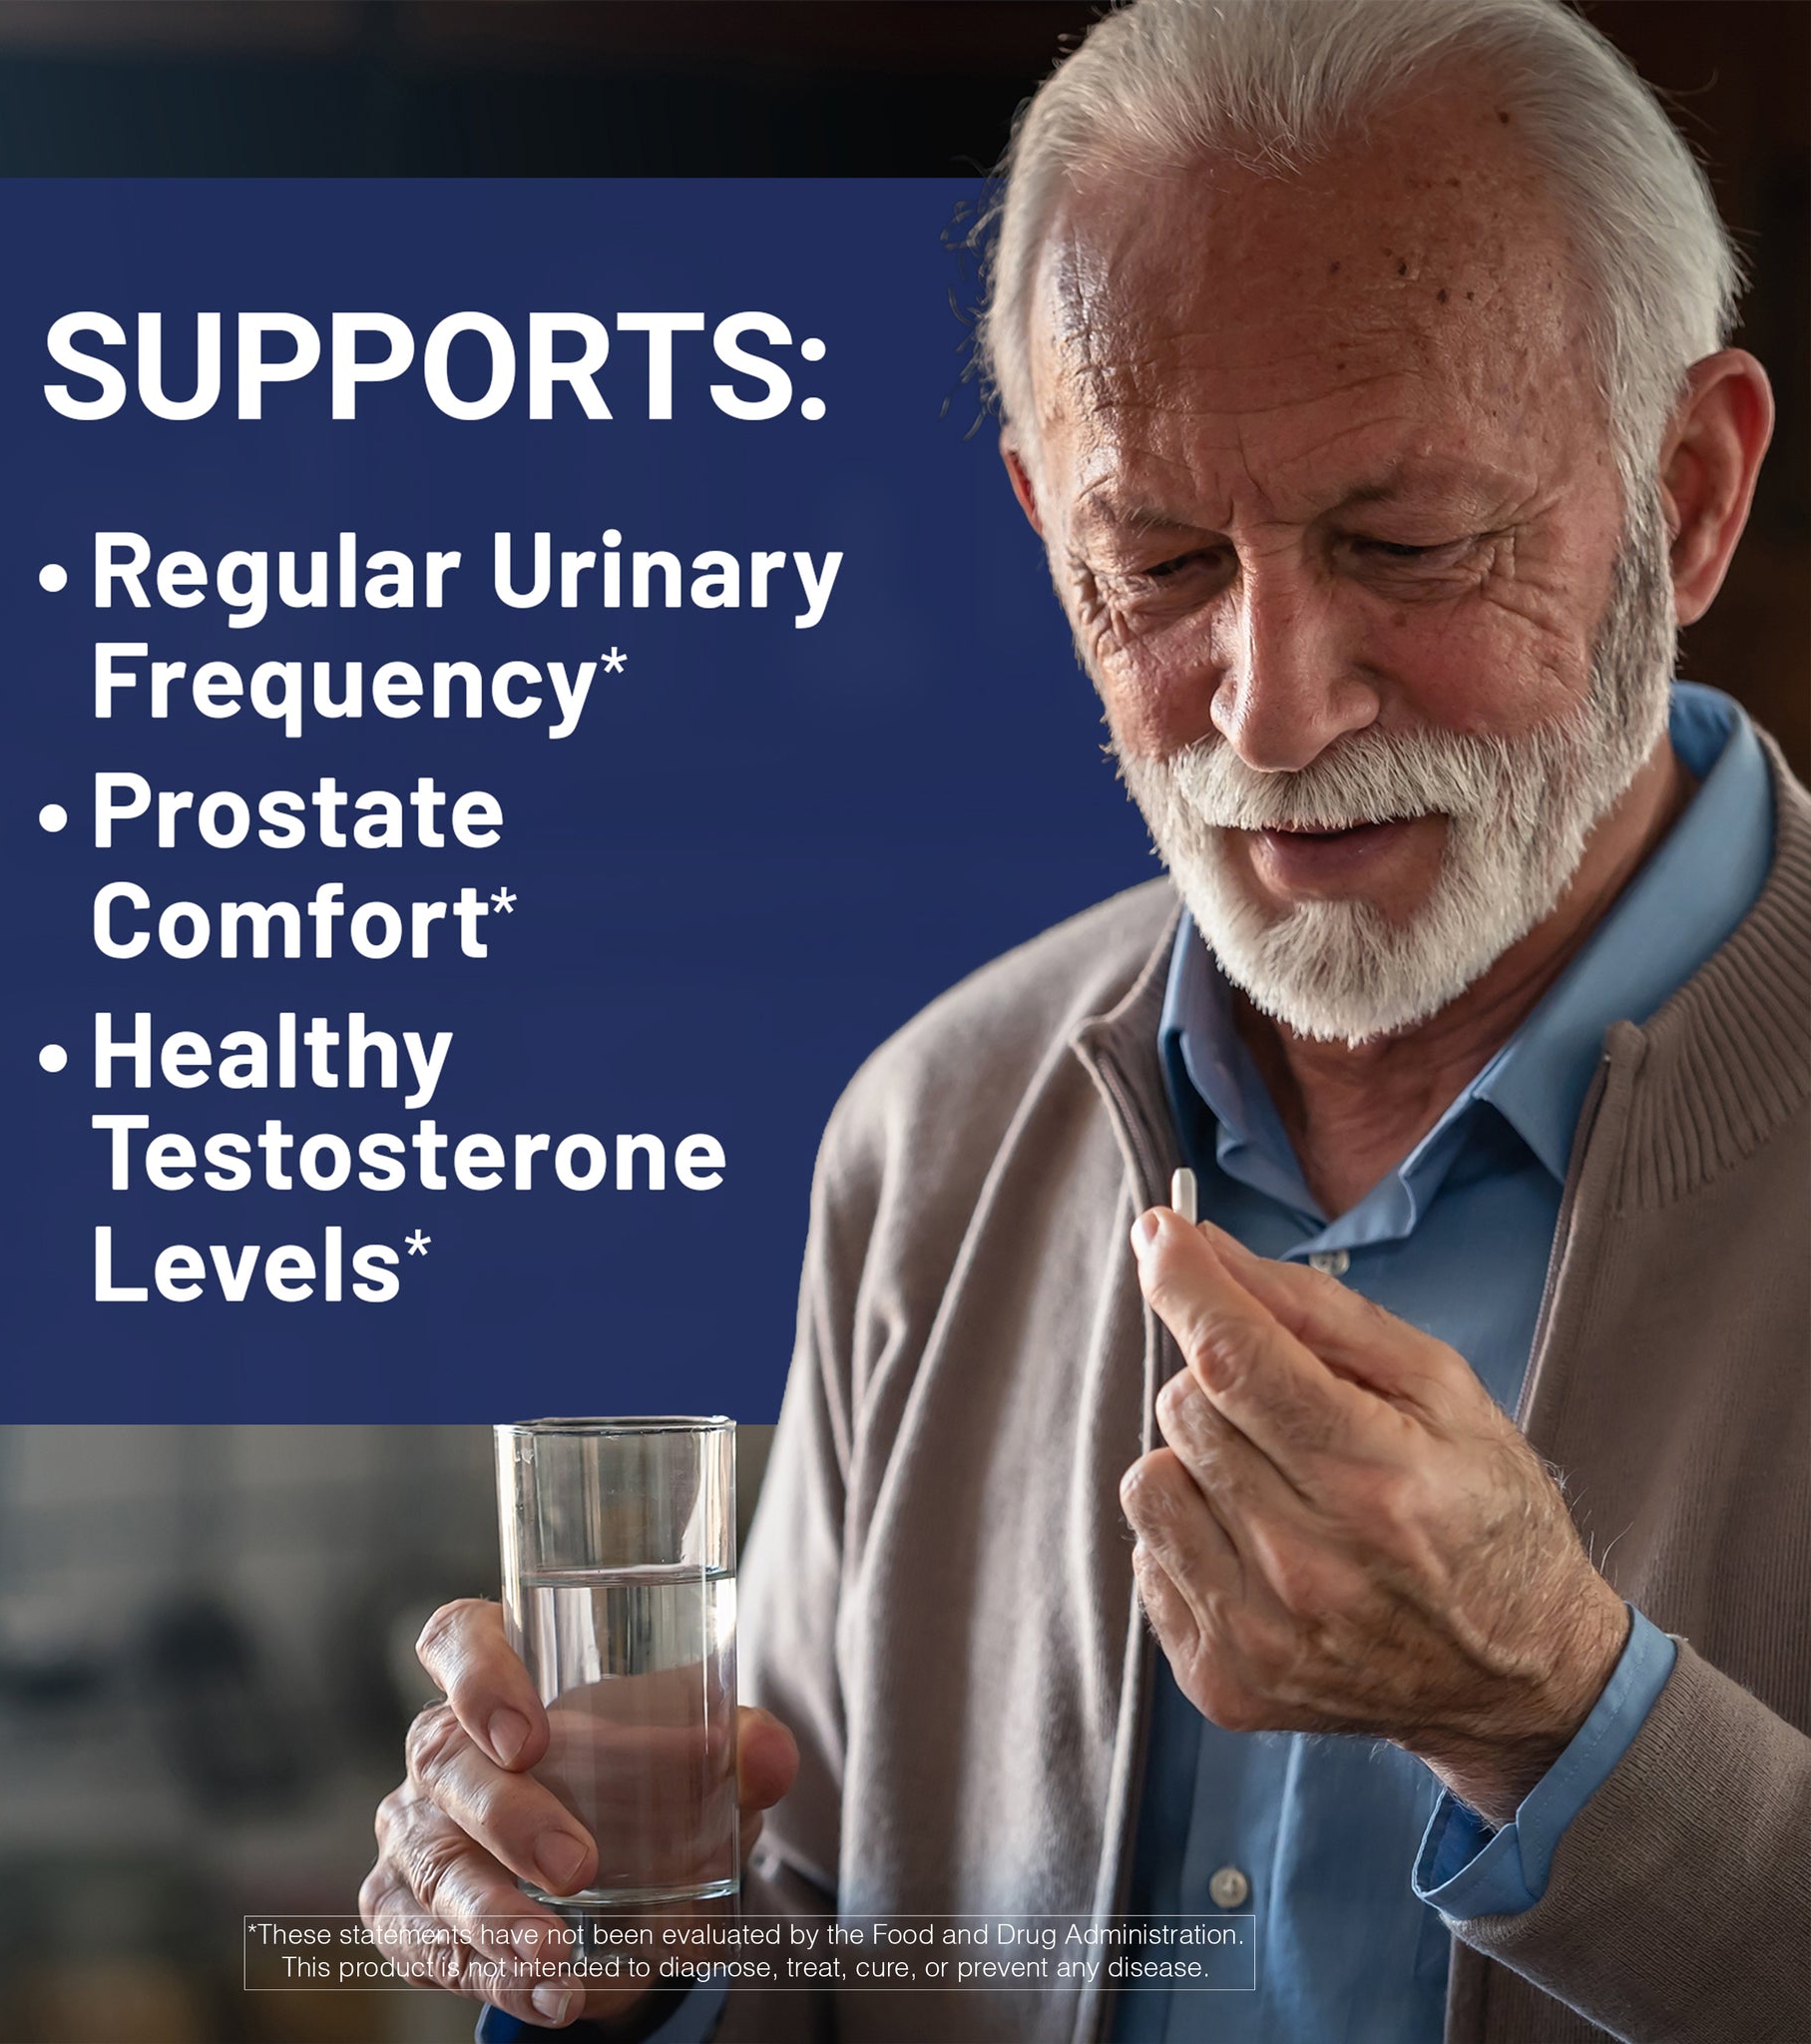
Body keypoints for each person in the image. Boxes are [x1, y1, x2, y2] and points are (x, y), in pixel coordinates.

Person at [360, 2, 1810, 2038]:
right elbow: (810, 1949)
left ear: (1690, 487)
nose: (1269, 709)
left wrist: (1561, 1714)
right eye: (1158, 561)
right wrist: (622, 1959)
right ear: (1051, 535)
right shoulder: (928, 1129)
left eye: (1402, 545)